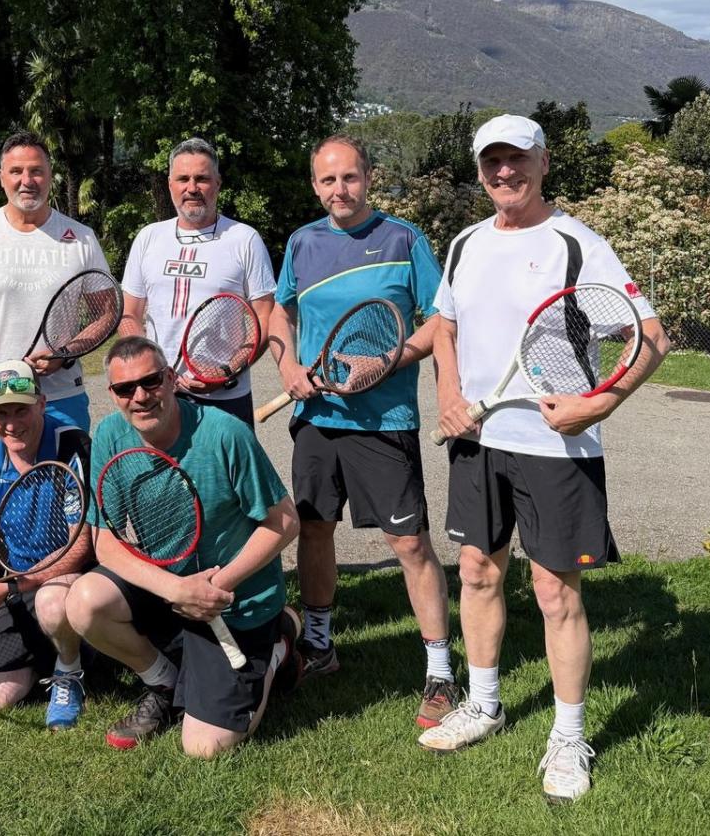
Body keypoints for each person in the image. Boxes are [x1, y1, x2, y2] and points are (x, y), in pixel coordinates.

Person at [418, 114, 669, 803]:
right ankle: (484, 703)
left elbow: (651, 337)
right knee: (477, 572)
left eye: (518, 158)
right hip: (478, 441)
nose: (506, 172)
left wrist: (600, 404)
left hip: (557, 448)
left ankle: (568, 735)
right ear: (479, 170)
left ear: (544, 162)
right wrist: (447, 392)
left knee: (556, 592)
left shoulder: (577, 244)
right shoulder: (465, 242)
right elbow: (445, 327)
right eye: (492, 161)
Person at [265, 134, 458, 730]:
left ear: (369, 177)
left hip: (384, 421)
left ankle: (440, 671)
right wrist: (288, 367)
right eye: (328, 180)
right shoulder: (302, 242)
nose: (339, 190)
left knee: (409, 545)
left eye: (349, 177)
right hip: (317, 420)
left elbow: (441, 320)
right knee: (314, 530)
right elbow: (280, 312)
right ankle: (320, 645)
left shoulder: (404, 239)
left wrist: (389, 361)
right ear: (314, 185)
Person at [65, 337, 301, 757]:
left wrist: (215, 587)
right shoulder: (110, 435)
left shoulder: (225, 433)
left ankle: (276, 648)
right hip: (170, 590)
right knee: (84, 602)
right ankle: (162, 680)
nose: (141, 396)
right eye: (125, 388)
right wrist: (176, 590)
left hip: (232, 601)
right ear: (113, 394)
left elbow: (284, 522)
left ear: (171, 379)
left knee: (205, 746)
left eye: (151, 381)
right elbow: (105, 543)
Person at [0, 361, 95, 730]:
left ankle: (69, 672)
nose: (11, 424)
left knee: (52, 602)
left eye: (21, 410)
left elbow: (80, 546)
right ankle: (68, 649)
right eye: (1, 413)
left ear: (41, 404)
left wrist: (6, 588)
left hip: (71, 577)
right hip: (17, 583)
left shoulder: (72, 444)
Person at [0, 131, 111, 431]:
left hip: (62, 398)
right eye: (16, 171)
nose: (27, 180)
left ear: (50, 176)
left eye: (36, 171)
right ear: (1, 177)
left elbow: (107, 313)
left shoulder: (81, 238)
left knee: (70, 464)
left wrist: (65, 353)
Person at [118, 138, 276, 425]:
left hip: (225, 398)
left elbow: (265, 318)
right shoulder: (149, 237)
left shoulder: (244, 239)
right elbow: (129, 313)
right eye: (183, 179)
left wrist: (226, 372)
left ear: (217, 183)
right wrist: (147, 372)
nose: (192, 188)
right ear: (170, 185)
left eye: (201, 179)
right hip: (157, 395)